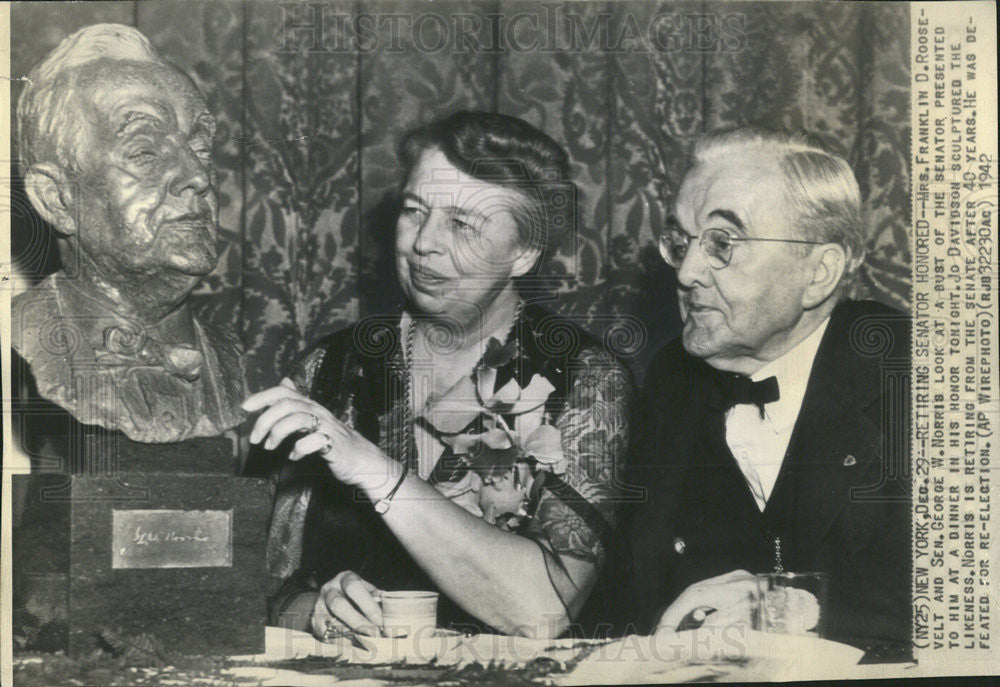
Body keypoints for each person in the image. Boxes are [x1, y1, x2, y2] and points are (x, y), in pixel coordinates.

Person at [244, 111, 633, 639]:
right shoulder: (328, 370)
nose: (424, 242)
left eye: (462, 223)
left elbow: (544, 610)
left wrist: (374, 469)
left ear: (524, 252)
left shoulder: (584, 378)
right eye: (414, 211)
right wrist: (313, 611)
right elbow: (247, 587)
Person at [626, 128, 910, 657]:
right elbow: (639, 592)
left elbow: (974, 604)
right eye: (682, 241)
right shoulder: (670, 379)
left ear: (819, 273)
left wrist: (791, 607)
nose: (687, 273)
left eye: (722, 243)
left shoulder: (919, 377)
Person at [12, 23, 244, 446]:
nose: (196, 177)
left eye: (201, 149)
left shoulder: (227, 359)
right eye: (144, 152)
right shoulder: (21, 338)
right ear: (58, 200)